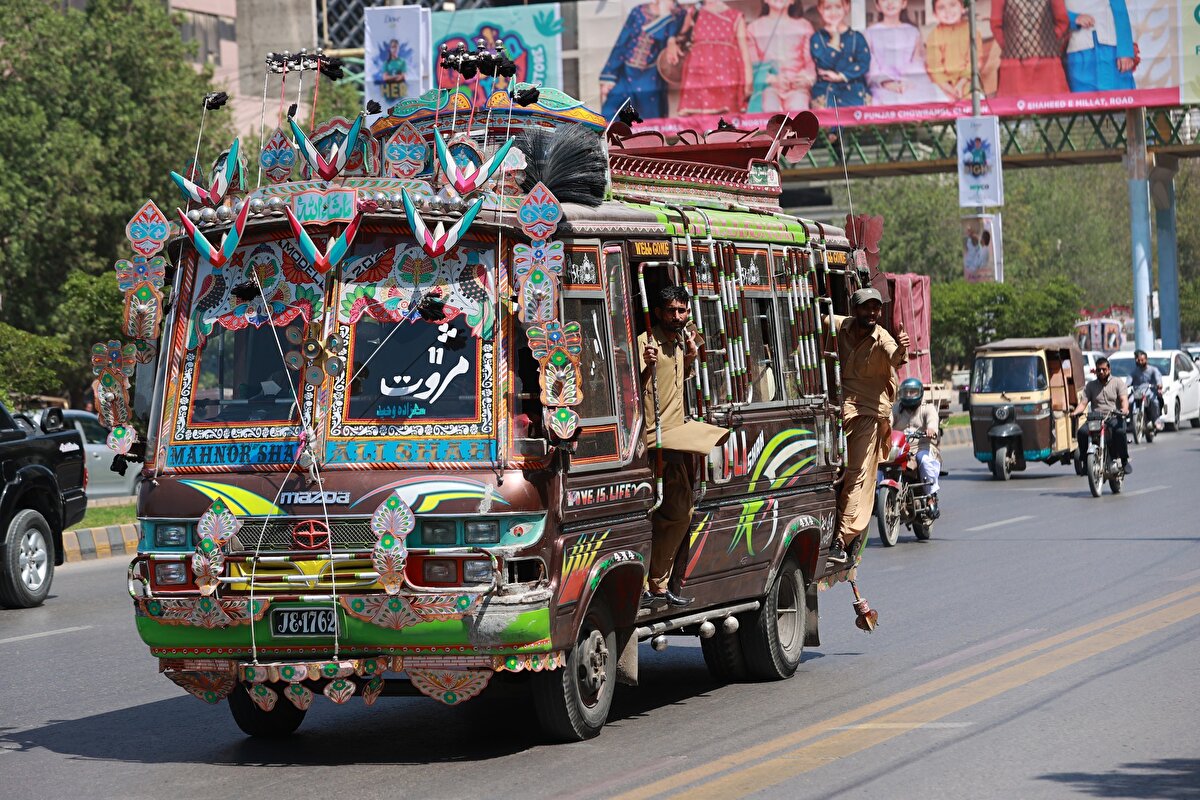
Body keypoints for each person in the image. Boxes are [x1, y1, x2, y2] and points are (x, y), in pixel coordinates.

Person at [828, 287, 909, 564]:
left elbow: (895, 356)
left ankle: (841, 538)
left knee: (857, 475)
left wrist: (901, 347)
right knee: (830, 473)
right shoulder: (843, 326)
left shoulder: (882, 337)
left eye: (876, 308)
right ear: (855, 309)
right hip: (839, 411)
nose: (872, 313)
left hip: (868, 414)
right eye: (866, 308)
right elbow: (819, 317)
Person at [638, 286, 701, 607]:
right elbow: (619, 385)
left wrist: (690, 357)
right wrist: (644, 364)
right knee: (658, 512)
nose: (677, 316)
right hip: (649, 441)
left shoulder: (683, 341)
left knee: (680, 512)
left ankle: (660, 582)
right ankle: (653, 583)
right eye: (671, 311)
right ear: (659, 313)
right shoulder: (644, 343)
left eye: (682, 311)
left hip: (677, 439)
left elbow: (682, 382)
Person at [600, 0, 685, 121]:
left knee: (649, 118)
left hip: (650, 75)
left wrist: (666, 13)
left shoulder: (678, 14)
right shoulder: (638, 12)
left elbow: (670, 34)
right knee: (611, 111)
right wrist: (609, 75)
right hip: (626, 72)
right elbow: (622, 42)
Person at [864, 0, 948, 106]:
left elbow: (917, 61)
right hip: (880, 85)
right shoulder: (870, 32)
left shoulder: (913, 32)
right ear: (877, 5)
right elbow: (870, 62)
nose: (890, 3)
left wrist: (906, 82)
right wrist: (886, 82)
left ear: (904, 3)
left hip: (910, 84)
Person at [677, 0, 754, 115]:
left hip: (727, 74)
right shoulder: (694, 12)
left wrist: (749, 79)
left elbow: (744, 50)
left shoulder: (735, 16)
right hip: (698, 73)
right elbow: (680, 36)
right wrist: (672, 43)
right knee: (699, 121)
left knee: (726, 121)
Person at [747, 0, 817, 113]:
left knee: (799, 110)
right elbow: (752, 65)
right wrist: (771, 79)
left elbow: (810, 62)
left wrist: (805, 78)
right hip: (768, 87)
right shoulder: (753, 29)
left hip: (797, 87)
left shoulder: (804, 26)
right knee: (770, 109)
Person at [990, 0, 1070, 97]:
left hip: (1047, 66)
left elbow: (1062, 21)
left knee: (1052, 106)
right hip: (1015, 68)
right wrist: (1010, 44)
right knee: (1013, 107)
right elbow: (995, 25)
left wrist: (1047, 40)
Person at [891, 377, 941, 518]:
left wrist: (931, 429)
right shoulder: (896, 408)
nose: (909, 395)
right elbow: (887, 421)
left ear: (919, 393)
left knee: (924, 461)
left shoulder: (927, 408)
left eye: (912, 392)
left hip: (922, 446)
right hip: (899, 447)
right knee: (880, 463)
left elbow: (932, 420)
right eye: (906, 392)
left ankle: (931, 496)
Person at [1072, 355, 1131, 473]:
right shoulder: (1090, 386)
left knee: (1120, 431)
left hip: (1114, 416)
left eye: (1104, 369)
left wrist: (1124, 410)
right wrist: (1075, 412)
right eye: (1098, 370)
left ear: (1109, 369)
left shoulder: (1118, 382)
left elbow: (1124, 400)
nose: (1101, 372)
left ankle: (1124, 460)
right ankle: (1085, 461)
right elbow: (1083, 403)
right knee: (1082, 432)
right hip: (1096, 419)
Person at [809, 0, 871, 109]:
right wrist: (835, 39)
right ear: (820, 9)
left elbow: (863, 63)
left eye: (838, 7)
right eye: (828, 8)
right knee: (828, 115)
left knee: (856, 115)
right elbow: (823, 64)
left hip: (854, 86)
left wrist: (840, 76)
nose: (833, 12)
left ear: (846, 7)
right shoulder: (817, 38)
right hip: (826, 88)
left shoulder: (857, 37)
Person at [1064, 0, 1136, 92]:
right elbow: (1050, 11)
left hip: (1110, 49)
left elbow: (1120, 9)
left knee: (1118, 97)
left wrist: (1125, 50)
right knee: (1083, 99)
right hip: (1079, 51)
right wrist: (1074, 18)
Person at [925, 0, 983, 101]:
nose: (948, 11)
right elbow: (934, 69)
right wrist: (950, 90)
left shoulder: (972, 31)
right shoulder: (933, 36)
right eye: (941, 8)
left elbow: (975, 62)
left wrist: (960, 85)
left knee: (978, 101)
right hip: (942, 86)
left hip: (967, 82)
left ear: (962, 7)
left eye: (952, 5)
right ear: (935, 14)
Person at [1128, 349, 1163, 431]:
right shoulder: (1134, 371)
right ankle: (1131, 423)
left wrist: (1159, 385)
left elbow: (1158, 379)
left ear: (1146, 360)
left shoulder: (1153, 370)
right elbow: (1129, 379)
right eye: (1138, 360)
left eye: (1142, 360)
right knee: (1129, 401)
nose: (1140, 362)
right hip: (1137, 392)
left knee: (1155, 402)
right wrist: (1125, 385)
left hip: (1149, 392)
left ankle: (1156, 420)